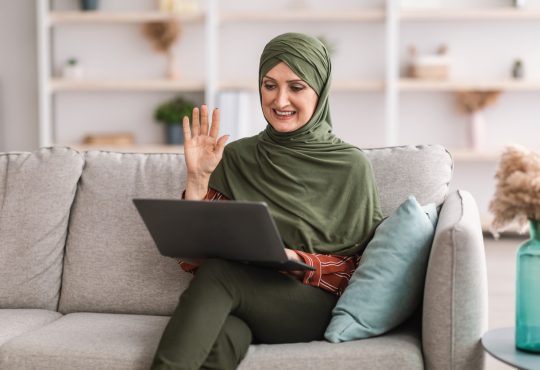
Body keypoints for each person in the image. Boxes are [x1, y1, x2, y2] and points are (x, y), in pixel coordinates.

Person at [151, 32, 383, 370]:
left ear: (320, 90)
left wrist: (295, 259)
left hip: (312, 306)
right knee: (220, 338)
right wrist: (197, 179)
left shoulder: (350, 166)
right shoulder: (235, 157)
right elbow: (191, 261)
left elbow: (361, 271)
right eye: (269, 85)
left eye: (297, 87)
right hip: (246, 301)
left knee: (219, 275)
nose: (280, 100)